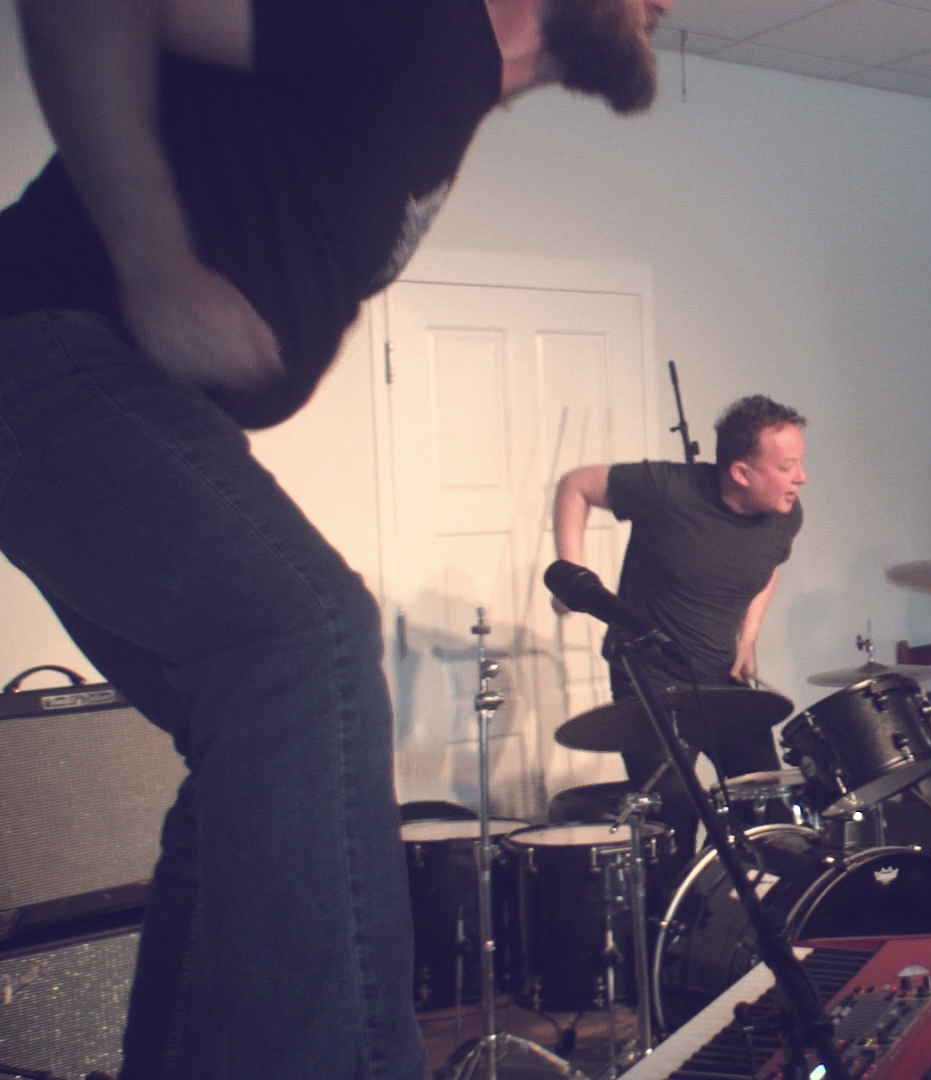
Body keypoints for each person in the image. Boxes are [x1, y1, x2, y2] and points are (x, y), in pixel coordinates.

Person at [0, 0, 670, 1075]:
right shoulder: (416, 19)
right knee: (309, 635)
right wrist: (155, 260)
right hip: (49, 350)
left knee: (252, 765)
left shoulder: (448, 84)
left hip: (99, 385)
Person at [551, 394, 806, 880]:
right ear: (741, 472)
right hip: (650, 682)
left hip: (722, 682)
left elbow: (768, 564)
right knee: (676, 820)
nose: (801, 477)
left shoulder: (785, 514)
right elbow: (576, 485)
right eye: (786, 466)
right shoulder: (667, 490)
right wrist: (571, 575)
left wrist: (749, 636)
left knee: (767, 812)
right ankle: (672, 920)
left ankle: (744, 914)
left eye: (800, 463)